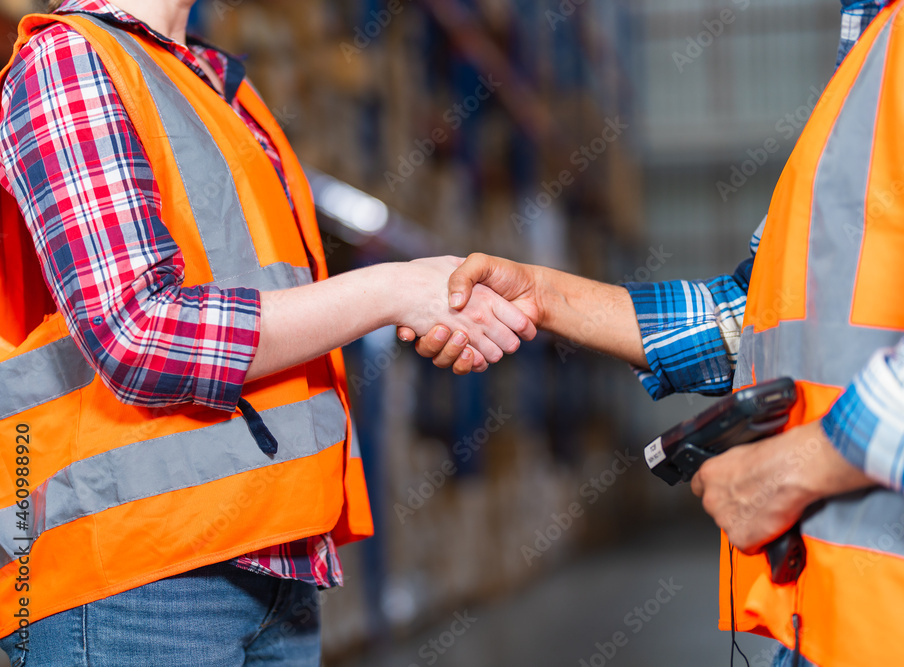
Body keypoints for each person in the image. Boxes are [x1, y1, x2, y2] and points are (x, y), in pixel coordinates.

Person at [406, 0, 904, 665]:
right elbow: (755, 314)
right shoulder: (879, 43)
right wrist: (545, 297)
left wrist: (790, 470)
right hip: (856, 621)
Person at [0, 0, 533, 664]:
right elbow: (141, 334)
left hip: (273, 566)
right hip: (136, 583)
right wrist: (390, 290)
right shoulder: (71, 62)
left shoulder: (216, 87)